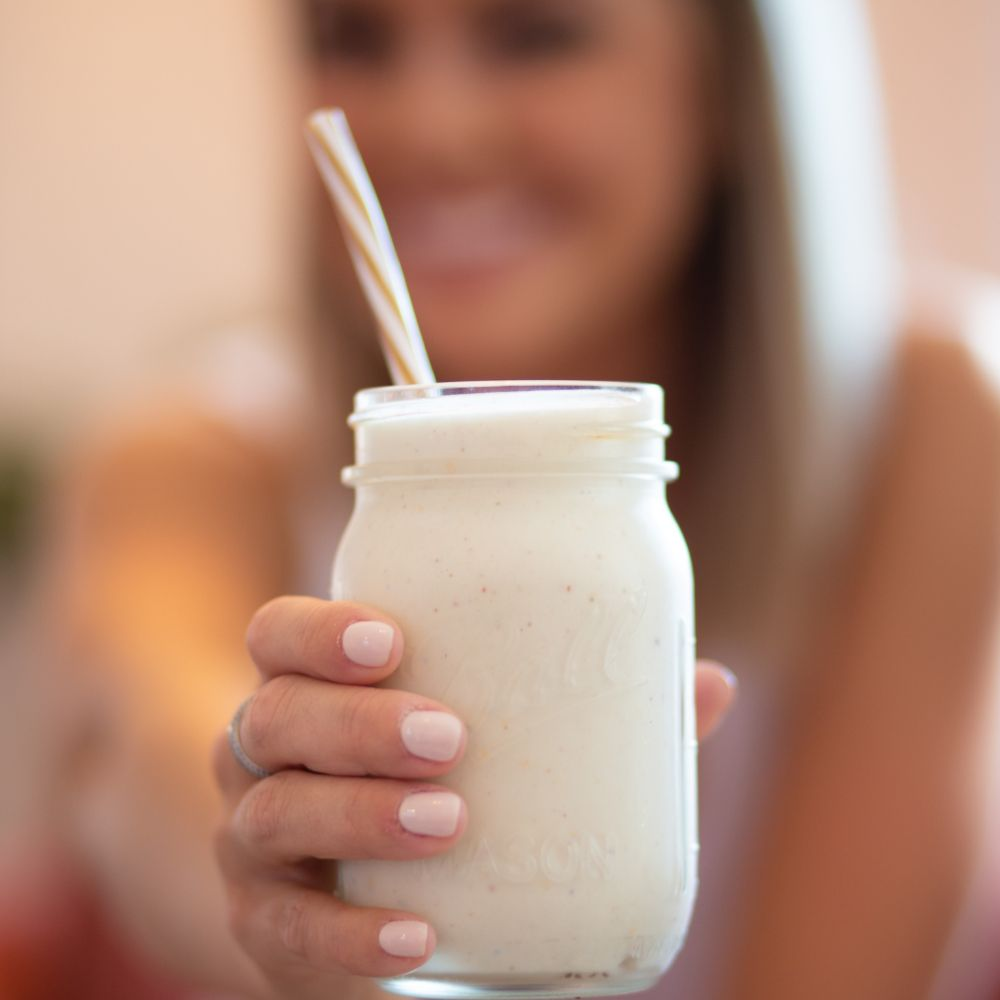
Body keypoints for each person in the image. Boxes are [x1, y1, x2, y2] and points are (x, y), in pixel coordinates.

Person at [31, 0, 1000, 998]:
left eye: (536, 34)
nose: (432, 127)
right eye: (354, 39)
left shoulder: (927, 418)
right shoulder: (192, 456)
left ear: (727, 92)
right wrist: (269, 837)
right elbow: (149, 749)